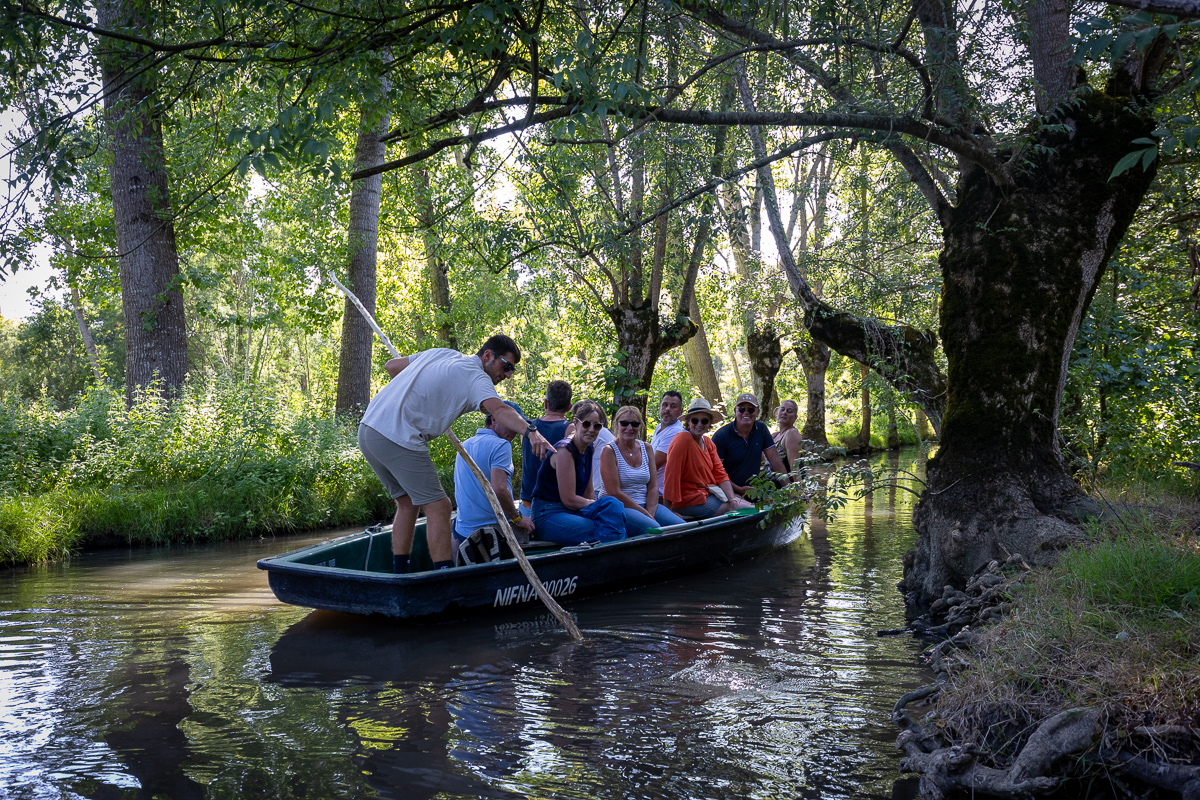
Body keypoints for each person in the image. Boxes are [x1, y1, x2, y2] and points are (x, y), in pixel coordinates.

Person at [358, 335, 555, 573]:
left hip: (369, 430)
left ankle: (401, 573)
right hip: (398, 436)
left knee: (407, 502)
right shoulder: (478, 377)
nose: (508, 375)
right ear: (488, 356)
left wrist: (425, 396)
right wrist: (531, 431)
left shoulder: (442, 354)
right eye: (507, 366)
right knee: (439, 507)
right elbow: (499, 409)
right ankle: (444, 576)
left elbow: (392, 367)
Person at [531, 400, 626, 544]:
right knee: (604, 522)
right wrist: (601, 506)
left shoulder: (588, 449)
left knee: (614, 514)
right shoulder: (565, 450)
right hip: (548, 513)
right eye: (586, 424)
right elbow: (568, 500)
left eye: (597, 426)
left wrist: (599, 507)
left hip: (572, 511)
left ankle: (614, 556)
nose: (591, 429)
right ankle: (614, 561)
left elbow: (588, 493)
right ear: (576, 423)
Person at [452, 401, 537, 561]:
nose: (516, 430)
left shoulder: (465, 445)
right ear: (493, 420)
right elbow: (499, 489)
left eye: (518, 425)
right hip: (493, 533)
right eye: (511, 423)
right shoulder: (501, 445)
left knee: (454, 524)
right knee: (533, 525)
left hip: (464, 533)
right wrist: (517, 518)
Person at [600, 405, 687, 535]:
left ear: (640, 426)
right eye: (624, 423)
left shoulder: (646, 448)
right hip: (621, 506)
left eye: (634, 424)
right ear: (617, 425)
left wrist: (650, 512)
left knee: (684, 527)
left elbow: (653, 486)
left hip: (647, 503)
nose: (629, 428)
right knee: (654, 529)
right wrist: (645, 514)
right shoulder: (609, 451)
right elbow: (614, 492)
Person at [663, 398, 754, 520]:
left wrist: (732, 499)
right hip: (688, 500)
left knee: (742, 502)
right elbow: (671, 476)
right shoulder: (683, 439)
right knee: (736, 508)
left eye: (704, 421)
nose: (699, 424)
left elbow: (720, 473)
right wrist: (668, 511)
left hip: (707, 493)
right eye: (695, 420)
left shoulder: (708, 442)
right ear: (688, 422)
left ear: (709, 424)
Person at [712, 392, 788, 496]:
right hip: (729, 491)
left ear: (757, 412)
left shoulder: (761, 429)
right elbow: (715, 473)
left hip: (756, 490)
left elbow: (775, 461)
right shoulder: (721, 436)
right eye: (742, 409)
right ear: (735, 411)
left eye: (751, 409)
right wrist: (739, 489)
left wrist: (789, 489)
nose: (746, 412)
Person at [518, 380, 573, 517]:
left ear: (545, 403)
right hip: (553, 507)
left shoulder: (527, 428)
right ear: (569, 407)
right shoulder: (570, 429)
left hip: (526, 504)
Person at [650, 390, 684, 492]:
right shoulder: (659, 427)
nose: (668, 409)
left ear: (681, 411)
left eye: (673, 406)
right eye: (665, 405)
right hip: (650, 486)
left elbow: (654, 465)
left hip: (660, 491)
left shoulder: (676, 432)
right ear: (660, 407)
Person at [773, 399, 803, 474]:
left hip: (785, 483)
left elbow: (794, 465)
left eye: (789, 411)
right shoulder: (774, 436)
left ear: (795, 417)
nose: (784, 413)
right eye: (782, 409)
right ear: (777, 413)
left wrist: (798, 485)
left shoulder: (791, 434)